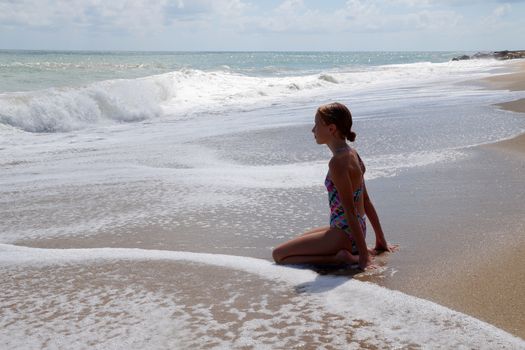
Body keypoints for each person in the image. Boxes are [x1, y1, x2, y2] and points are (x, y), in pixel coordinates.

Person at [272, 102, 395, 270]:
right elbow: (365, 200)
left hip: (344, 233)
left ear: (331, 129)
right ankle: (349, 251)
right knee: (300, 239)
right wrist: (380, 240)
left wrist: (364, 257)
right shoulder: (353, 154)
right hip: (354, 229)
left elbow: (349, 210)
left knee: (279, 255)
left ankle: (341, 258)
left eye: (316, 124)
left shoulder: (337, 162)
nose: (313, 130)